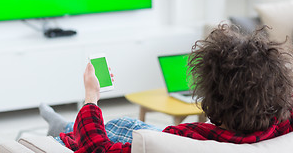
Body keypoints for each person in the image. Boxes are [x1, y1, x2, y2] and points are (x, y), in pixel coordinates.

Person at [39, 24, 293, 152]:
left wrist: (91, 97)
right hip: (154, 133)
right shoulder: (283, 125)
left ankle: (62, 130)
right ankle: (65, 126)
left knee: (119, 128)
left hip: (150, 139)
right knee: (131, 125)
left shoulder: (185, 141)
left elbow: (97, 148)